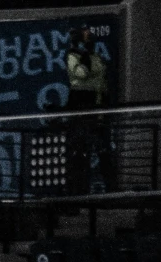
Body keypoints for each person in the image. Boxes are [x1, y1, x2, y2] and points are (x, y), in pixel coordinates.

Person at [65, 26, 108, 196]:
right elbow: (81, 75)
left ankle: (104, 190)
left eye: (90, 39)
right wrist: (84, 56)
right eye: (86, 38)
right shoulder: (72, 56)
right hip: (81, 106)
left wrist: (103, 105)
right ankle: (77, 191)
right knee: (79, 152)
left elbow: (101, 79)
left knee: (101, 150)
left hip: (98, 105)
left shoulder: (95, 56)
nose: (89, 42)